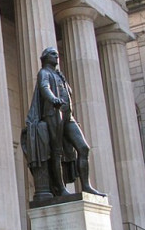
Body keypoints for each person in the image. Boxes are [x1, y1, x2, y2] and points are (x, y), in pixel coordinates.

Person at [21, 47, 103, 199]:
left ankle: (86, 185)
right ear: (45, 58)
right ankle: (60, 188)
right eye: (53, 54)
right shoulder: (44, 73)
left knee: (83, 148)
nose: (57, 56)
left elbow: (68, 92)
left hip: (67, 115)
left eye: (57, 54)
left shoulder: (58, 75)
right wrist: (53, 99)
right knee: (56, 152)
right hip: (53, 113)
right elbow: (44, 87)